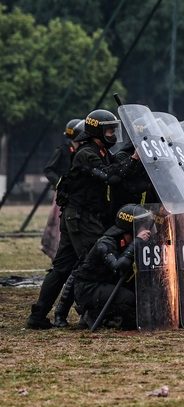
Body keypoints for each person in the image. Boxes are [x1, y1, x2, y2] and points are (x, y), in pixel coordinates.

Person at [26, 109, 144, 330]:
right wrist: (134, 157)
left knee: (63, 267)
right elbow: (112, 176)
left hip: (83, 216)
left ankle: (40, 316)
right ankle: (86, 313)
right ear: (96, 131)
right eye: (109, 129)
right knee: (93, 262)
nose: (112, 134)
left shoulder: (102, 152)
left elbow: (119, 172)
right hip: (80, 217)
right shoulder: (86, 154)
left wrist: (136, 159)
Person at [73, 204, 152, 330]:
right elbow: (118, 267)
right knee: (128, 298)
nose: (145, 229)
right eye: (142, 225)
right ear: (131, 227)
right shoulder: (105, 244)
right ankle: (93, 314)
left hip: (107, 283)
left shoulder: (127, 242)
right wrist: (136, 242)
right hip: (89, 288)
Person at [41, 119, 83, 259]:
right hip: (63, 194)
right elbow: (49, 169)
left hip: (79, 194)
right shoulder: (63, 150)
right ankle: (56, 252)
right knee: (58, 224)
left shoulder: (84, 151)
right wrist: (59, 182)